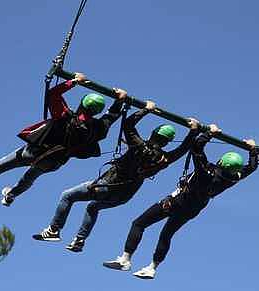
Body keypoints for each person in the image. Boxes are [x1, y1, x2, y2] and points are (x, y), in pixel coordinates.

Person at [32, 100, 201, 252]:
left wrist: (146, 110)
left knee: (67, 196)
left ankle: (54, 230)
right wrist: (193, 132)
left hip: (107, 185)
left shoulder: (138, 145)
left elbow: (128, 124)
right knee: (93, 207)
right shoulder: (165, 159)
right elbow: (183, 148)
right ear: (167, 142)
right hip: (124, 196)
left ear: (153, 134)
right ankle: (79, 241)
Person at [102, 125, 259, 279]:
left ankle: (125, 259)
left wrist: (210, 133)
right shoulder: (232, 179)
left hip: (176, 202)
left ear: (222, 162)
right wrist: (252, 150)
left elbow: (197, 147)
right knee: (166, 235)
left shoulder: (206, 172)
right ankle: (152, 268)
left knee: (139, 223)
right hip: (192, 210)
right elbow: (251, 168)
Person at [0, 72, 128, 206]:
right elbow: (111, 117)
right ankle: (10, 195)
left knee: (1, 165)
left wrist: (74, 81)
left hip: (34, 152)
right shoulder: (97, 129)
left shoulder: (65, 117)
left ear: (82, 104)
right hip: (54, 161)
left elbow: (53, 94)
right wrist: (120, 100)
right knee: (29, 179)